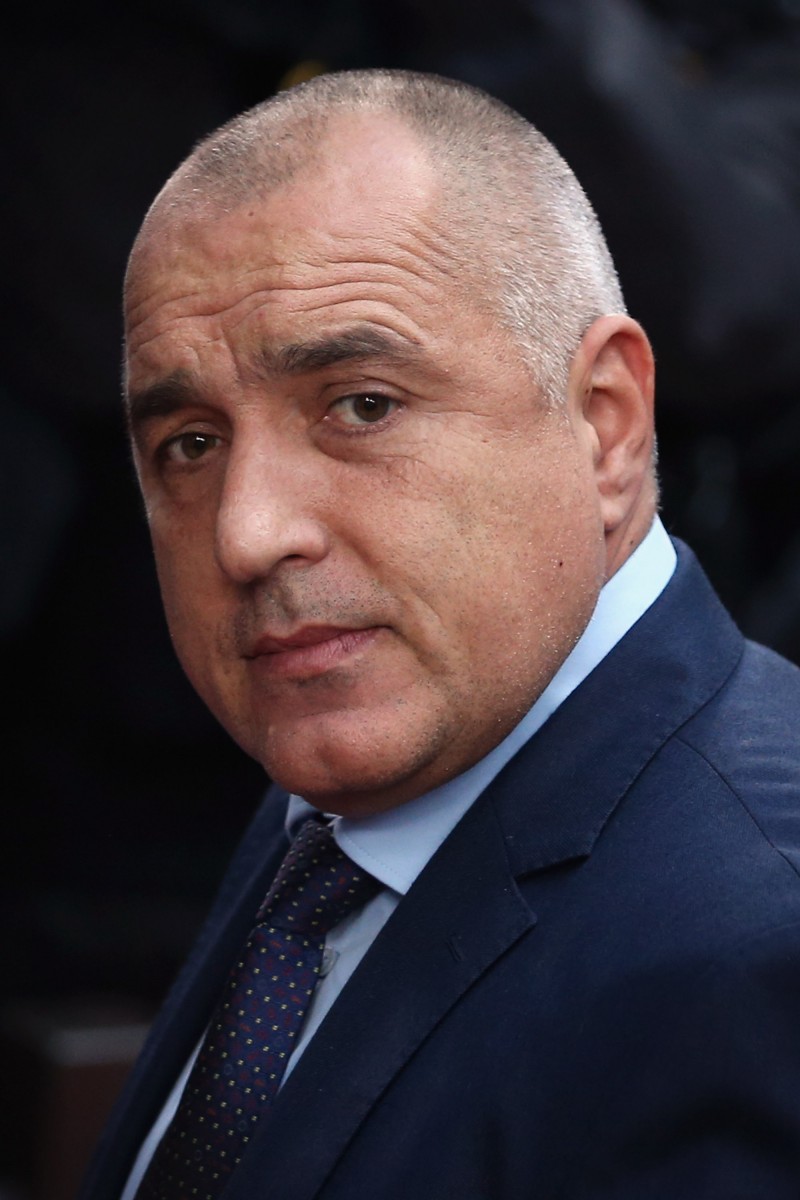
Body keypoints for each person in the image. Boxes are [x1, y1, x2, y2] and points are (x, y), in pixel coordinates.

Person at [81, 69, 800, 1199]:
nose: (247, 533)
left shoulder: (755, 953)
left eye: (361, 405)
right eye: (191, 444)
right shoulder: (355, 776)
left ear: (605, 424)